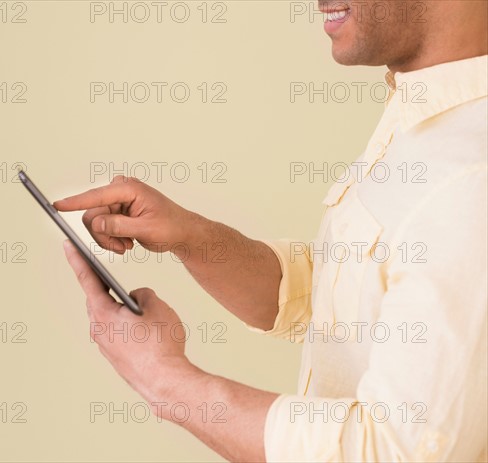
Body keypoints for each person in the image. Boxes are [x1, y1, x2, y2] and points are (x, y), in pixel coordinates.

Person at [54, 1, 488, 461]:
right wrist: (192, 236)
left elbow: (390, 451)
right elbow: (349, 300)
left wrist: (163, 379)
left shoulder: (470, 174)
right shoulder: (426, 118)